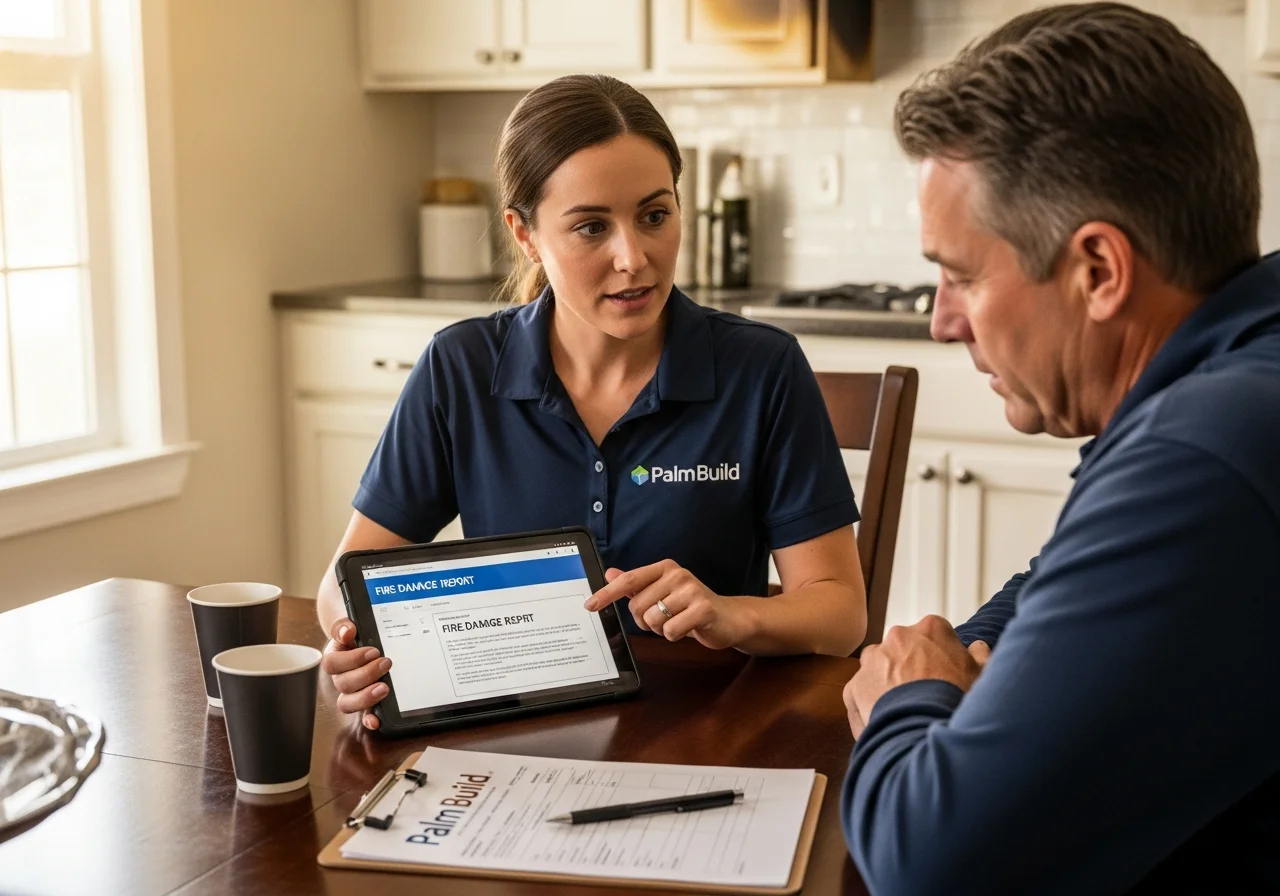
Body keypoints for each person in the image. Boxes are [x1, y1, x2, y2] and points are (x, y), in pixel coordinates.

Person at [839, 4, 1280, 893]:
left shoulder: (1203, 453)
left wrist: (905, 699)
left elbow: (925, 863)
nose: (939, 320)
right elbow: (1061, 580)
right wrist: (971, 667)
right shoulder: (1235, 374)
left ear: (1100, 272)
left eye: (961, 275)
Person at [318, 74, 867, 730]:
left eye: (655, 215)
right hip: (517, 736)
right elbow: (344, 581)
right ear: (525, 234)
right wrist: (354, 646)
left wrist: (731, 613)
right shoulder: (459, 370)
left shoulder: (763, 369)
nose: (633, 258)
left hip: (708, 737)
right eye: (591, 228)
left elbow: (839, 615)